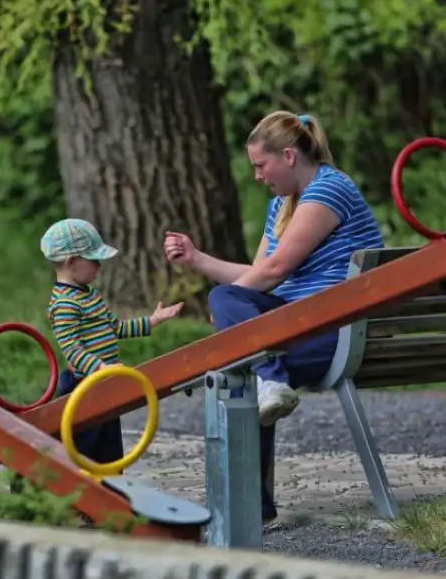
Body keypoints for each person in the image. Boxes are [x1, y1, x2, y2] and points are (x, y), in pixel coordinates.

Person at [164, 111, 384, 522]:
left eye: (260, 166)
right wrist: (198, 260)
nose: (257, 176)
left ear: (287, 156)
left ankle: (251, 506)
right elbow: (256, 279)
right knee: (235, 328)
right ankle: (271, 378)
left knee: (241, 363)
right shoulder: (282, 207)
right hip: (302, 324)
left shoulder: (328, 191)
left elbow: (274, 271)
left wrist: (230, 312)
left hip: (335, 329)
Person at [41, 218, 184, 466]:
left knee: (109, 453)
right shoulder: (64, 304)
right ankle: (81, 499)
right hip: (83, 388)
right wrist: (99, 368)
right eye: (94, 260)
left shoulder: (89, 295)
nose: (99, 266)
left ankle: (110, 494)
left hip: (104, 383)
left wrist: (152, 321)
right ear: (71, 262)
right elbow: (72, 349)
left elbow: (114, 327)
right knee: (83, 454)